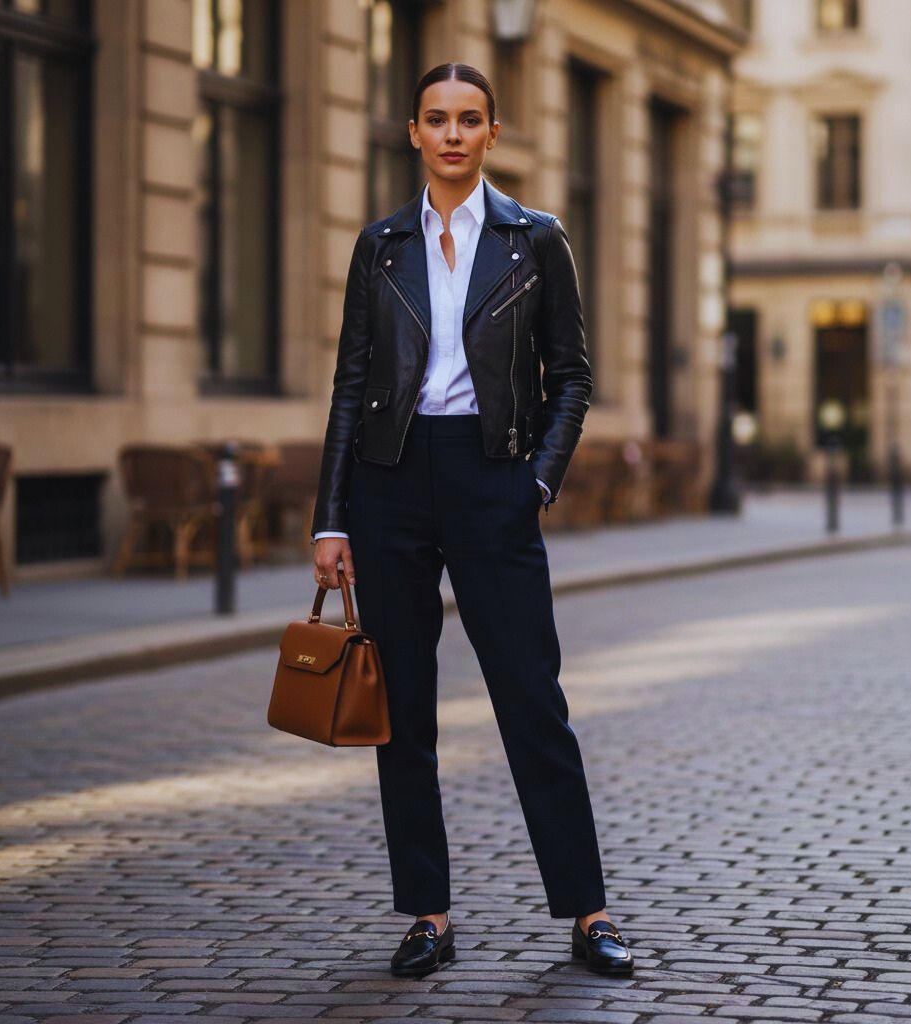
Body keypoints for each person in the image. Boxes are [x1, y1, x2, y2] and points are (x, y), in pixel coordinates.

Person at [310, 61, 632, 978]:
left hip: (494, 478)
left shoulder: (537, 239)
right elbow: (351, 384)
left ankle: (589, 913)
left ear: (494, 132)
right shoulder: (379, 246)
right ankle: (429, 914)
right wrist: (331, 519)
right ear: (413, 132)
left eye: (469, 119)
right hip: (390, 483)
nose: (452, 134)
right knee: (403, 713)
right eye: (436, 119)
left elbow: (573, 377)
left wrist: (535, 484)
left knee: (533, 701)